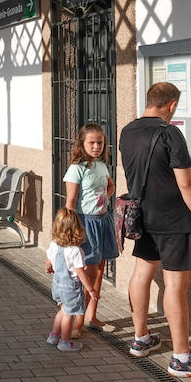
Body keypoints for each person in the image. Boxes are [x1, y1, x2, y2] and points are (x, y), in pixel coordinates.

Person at [119, 82, 191, 378]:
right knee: (175, 286)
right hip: (173, 220)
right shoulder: (169, 133)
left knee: (142, 274)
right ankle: (181, 359)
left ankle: (140, 339)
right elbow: (186, 183)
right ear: (172, 106)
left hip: (141, 216)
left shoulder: (127, 131)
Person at [62, 122, 117, 334]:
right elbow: (71, 201)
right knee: (89, 273)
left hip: (103, 220)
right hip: (86, 223)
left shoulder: (101, 165)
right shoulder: (76, 169)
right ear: (82, 144)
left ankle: (91, 317)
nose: (96, 146)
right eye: (92, 142)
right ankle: (77, 321)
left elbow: (109, 186)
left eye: (100, 142)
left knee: (100, 269)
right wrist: (71, 231)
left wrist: (103, 199)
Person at [44, 208, 99, 351]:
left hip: (57, 285)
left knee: (62, 310)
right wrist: (91, 289)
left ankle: (54, 335)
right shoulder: (76, 251)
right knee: (69, 314)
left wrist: (48, 267)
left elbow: (49, 260)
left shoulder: (54, 245)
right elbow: (80, 272)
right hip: (70, 288)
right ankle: (65, 341)